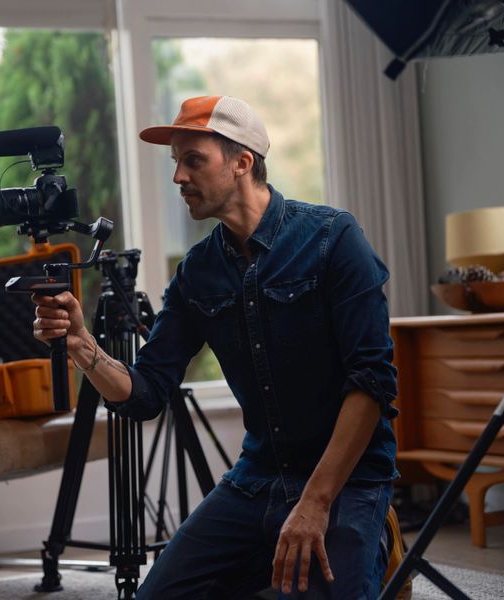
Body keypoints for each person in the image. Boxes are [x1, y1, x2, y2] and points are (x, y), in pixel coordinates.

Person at [32, 95, 400, 599]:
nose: (178, 177)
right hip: (255, 479)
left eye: (193, 160)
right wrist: (82, 346)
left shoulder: (333, 239)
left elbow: (372, 381)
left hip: (347, 482)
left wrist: (315, 503)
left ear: (242, 162)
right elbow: (146, 392)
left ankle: (380, 534)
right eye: (175, 163)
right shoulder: (198, 272)